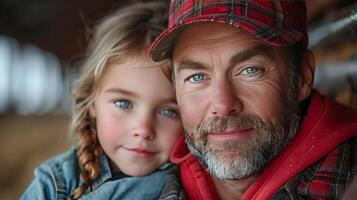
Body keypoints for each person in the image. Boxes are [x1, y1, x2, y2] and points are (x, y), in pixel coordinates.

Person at [149, 0, 357, 199]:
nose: (223, 106)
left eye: (250, 70)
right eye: (197, 77)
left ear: (303, 76)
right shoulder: (138, 182)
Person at [21, 1, 183, 199]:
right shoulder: (54, 184)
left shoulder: (197, 186)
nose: (143, 129)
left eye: (168, 111)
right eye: (123, 103)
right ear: (91, 101)